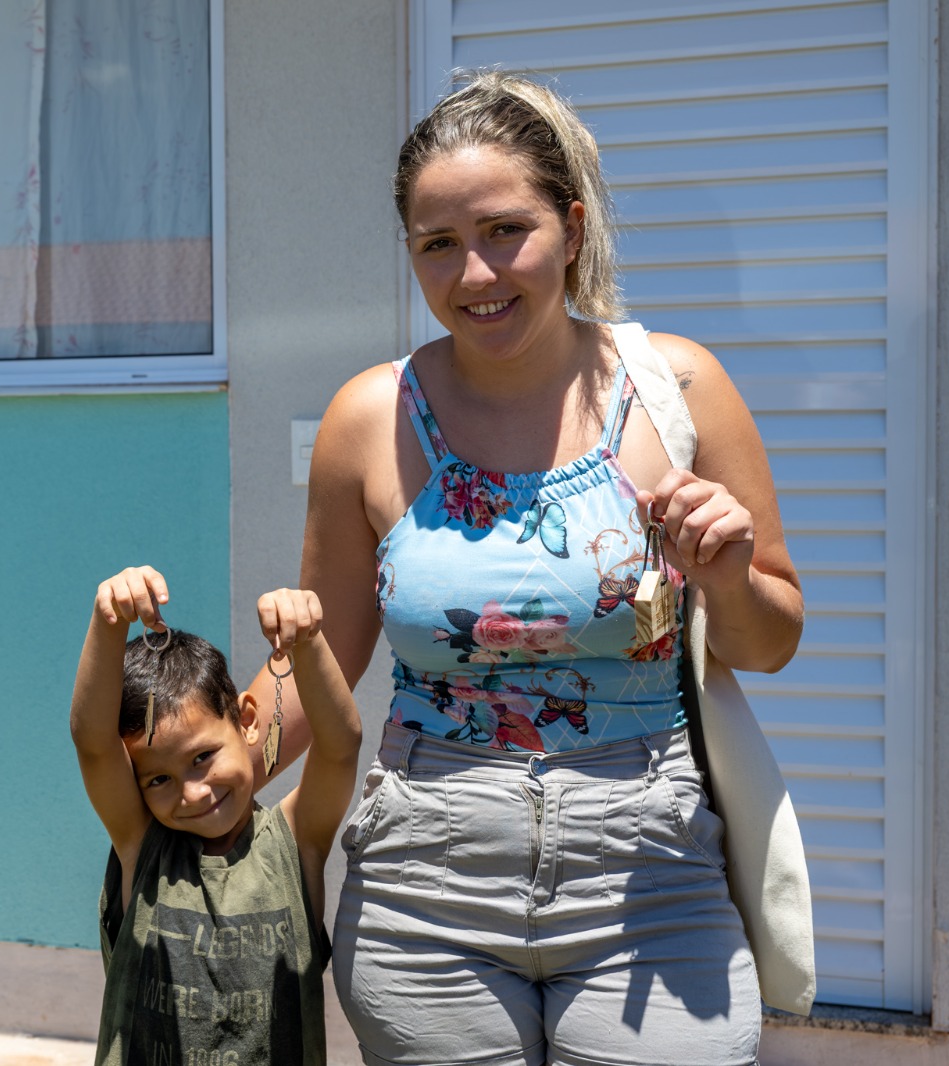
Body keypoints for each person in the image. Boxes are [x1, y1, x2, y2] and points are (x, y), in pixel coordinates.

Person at [242, 70, 804, 1066]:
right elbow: (312, 664)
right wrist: (196, 767)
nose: (475, 275)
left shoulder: (678, 388)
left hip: (647, 872)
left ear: (573, 226)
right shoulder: (371, 419)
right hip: (424, 881)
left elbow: (769, 641)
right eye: (438, 245)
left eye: (506, 230)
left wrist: (722, 572)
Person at [71, 565, 362, 1066]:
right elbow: (92, 743)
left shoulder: (295, 844)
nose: (193, 792)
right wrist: (108, 621)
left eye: (203, 757)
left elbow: (340, 747)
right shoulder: (142, 848)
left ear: (247, 721)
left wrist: (308, 640)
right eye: (158, 779)